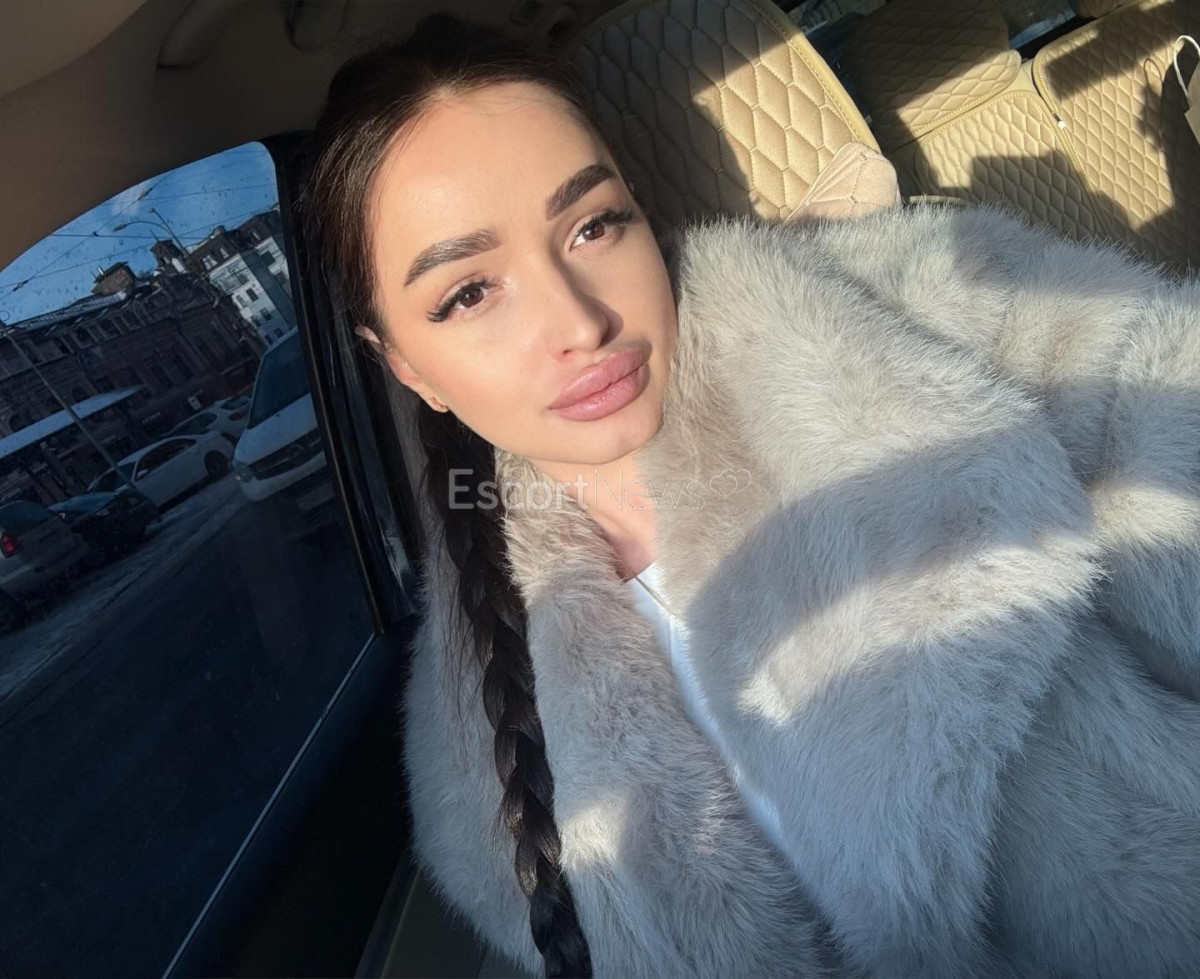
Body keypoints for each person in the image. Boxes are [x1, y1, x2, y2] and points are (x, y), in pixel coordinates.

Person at [302, 12, 1200, 979]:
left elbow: (1164, 383)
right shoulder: (468, 764)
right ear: (406, 365)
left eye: (594, 225)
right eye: (470, 293)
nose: (580, 321)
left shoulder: (898, 305)